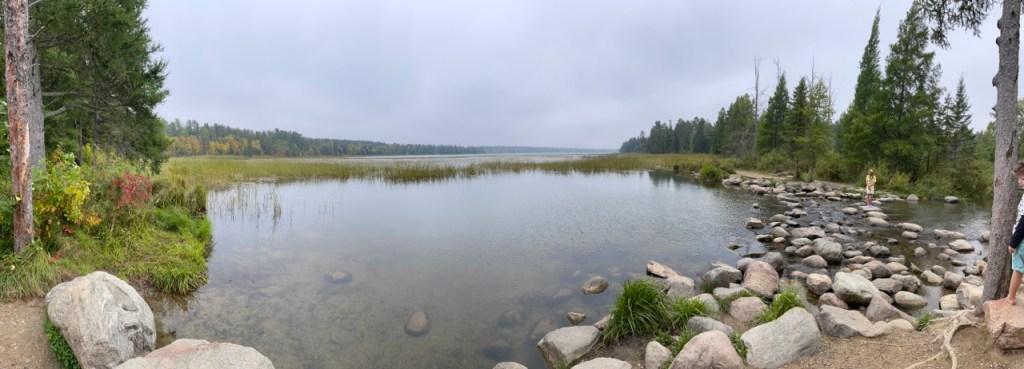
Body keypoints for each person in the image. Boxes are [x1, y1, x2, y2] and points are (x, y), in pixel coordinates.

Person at [1005, 160, 1024, 305]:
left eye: (1022, 178)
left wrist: (1013, 243)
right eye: (1019, 178)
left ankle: (1010, 297)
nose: (1019, 181)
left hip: (1022, 240)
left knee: (1018, 269)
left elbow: (1023, 222)